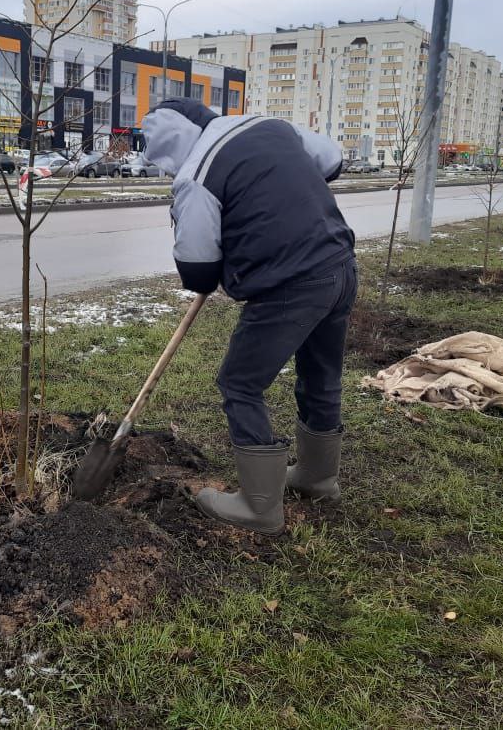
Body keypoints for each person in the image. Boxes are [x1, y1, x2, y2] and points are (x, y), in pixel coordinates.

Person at [141, 97, 358, 535]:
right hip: (339, 267)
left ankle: (260, 507)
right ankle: (318, 479)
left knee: (239, 382)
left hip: (290, 283)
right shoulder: (273, 126)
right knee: (320, 374)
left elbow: (198, 269)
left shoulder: (197, 175)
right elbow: (332, 161)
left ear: (170, 148)